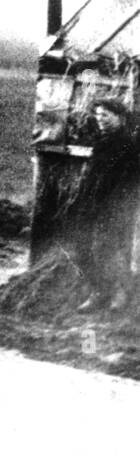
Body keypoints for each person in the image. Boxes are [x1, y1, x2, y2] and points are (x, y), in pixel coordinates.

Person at [71, 98, 139, 312]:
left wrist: (115, 205)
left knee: (107, 250)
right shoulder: (102, 142)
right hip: (91, 206)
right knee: (80, 250)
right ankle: (99, 290)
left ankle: (120, 293)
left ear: (119, 118)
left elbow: (129, 181)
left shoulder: (128, 145)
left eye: (106, 116)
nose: (101, 120)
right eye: (99, 115)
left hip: (113, 208)